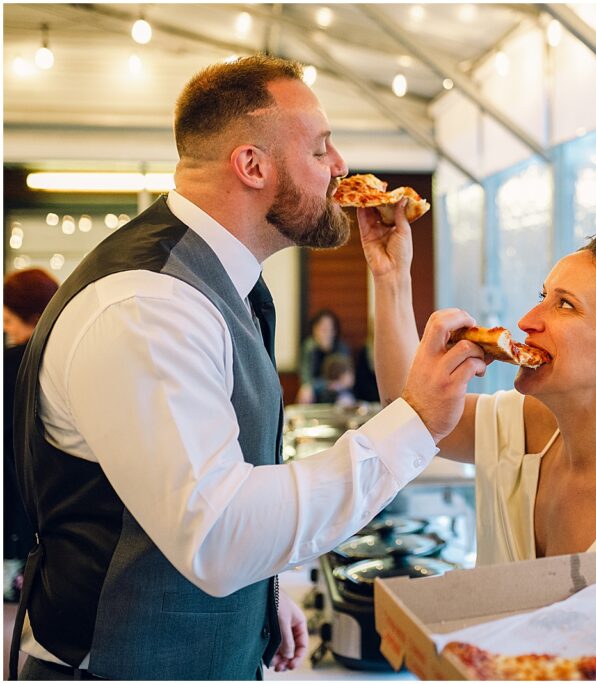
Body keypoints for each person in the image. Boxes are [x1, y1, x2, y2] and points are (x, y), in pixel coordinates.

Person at [10, 55, 485, 681]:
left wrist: (267, 590)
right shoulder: (146, 307)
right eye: (320, 149)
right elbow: (218, 533)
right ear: (252, 165)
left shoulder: (216, 285)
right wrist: (416, 421)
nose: (340, 166)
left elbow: (224, 475)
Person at [359, 206, 596, 566]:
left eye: (564, 305)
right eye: (543, 297)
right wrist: (390, 275)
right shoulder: (522, 428)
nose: (526, 321)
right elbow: (408, 411)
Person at [3, 269, 60, 604]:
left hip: (17, 503)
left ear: (35, 317)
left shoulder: (12, 365)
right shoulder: (69, 360)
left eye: (10, 320)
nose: (6, 328)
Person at [296, 308, 350, 404]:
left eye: (328, 328)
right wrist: (323, 384)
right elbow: (306, 378)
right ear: (314, 330)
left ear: (334, 331)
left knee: (346, 398)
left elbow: (345, 379)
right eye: (321, 328)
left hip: (338, 391)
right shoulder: (309, 347)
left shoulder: (341, 348)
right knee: (305, 392)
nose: (325, 332)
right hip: (317, 391)